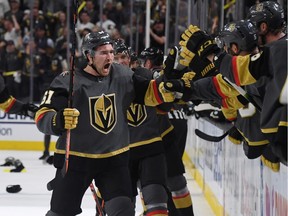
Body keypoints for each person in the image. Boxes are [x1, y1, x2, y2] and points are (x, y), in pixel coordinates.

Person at [34, 31, 176, 216]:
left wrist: (167, 84)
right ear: (89, 56)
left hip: (114, 159)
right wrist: (58, 120)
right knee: (60, 212)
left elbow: (149, 95)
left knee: (123, 209)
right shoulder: (68, 81)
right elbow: (42, 115)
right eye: (103, 52)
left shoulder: (123, 75)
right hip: (76, 159)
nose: (110, 56)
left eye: (111, 52)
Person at [173, 1, 287, 165]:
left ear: (263, 27)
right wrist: (187, 88)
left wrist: (211, 54)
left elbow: (239, 74)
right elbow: (233, 83)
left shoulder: (278, 51)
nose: (252, 33)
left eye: (253, 26)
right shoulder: (275, 51)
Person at [139, 46, 195, 216]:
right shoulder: (171, 76)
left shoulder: (143, 78)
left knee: (148, 185)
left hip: (153, 139)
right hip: (169, 137)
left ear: (148, 62)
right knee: (175, 183)